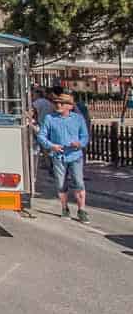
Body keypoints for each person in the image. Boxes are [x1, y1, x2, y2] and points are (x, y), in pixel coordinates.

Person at [37, 93, 90, 223]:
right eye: (56, 103)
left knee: (79, 183)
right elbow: (41, 136)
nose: (58, 105)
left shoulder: (78, 119)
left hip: (75, 155)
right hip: (58, 156)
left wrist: (80, 144)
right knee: (61, 184)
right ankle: (64, 208)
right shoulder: (50, 118)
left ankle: (82, 210)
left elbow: (85, 136)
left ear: (70, 106)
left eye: (61, 103)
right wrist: (52, 146)